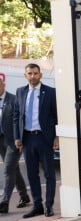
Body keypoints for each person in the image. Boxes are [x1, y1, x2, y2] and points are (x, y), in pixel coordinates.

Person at [13, 63, 58, 218]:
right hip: (27, 138)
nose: (33, 76)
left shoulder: (51, 92)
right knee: (32, 174)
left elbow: (57, 115)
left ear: (40, 75)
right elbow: (17, 116)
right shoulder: (20, 92)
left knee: (49, 174)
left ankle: (49, 206)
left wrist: (57, 136)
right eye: (30, 73)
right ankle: (37, 205)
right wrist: (17, 137)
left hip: (44, 138)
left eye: (35, 73)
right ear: (25, 75)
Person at [0, 75, 30, 213]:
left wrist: (20, 139)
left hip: (14, 141)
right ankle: (24, 196)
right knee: (14, 169)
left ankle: (4, 202)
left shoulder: (13, 99)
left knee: (7, 169)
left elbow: (20, 120)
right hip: (1, 141)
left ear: (3, 85)